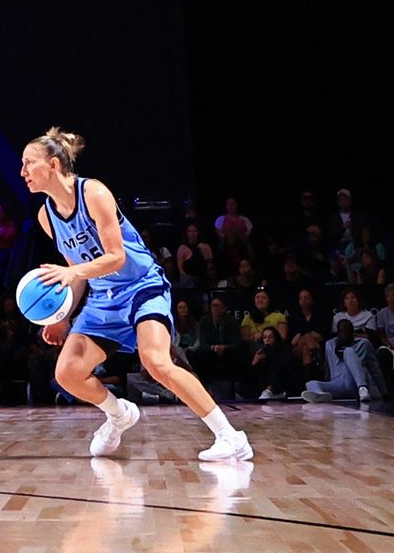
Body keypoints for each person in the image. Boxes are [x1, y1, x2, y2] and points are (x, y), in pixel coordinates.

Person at [21, 127, 252, 461]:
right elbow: (79, 271)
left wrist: (72, 272)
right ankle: (119, 415)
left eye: (29, 163)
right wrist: (62, 315)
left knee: (156, 361)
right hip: (103, 298)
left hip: (141, 285)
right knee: (66, 374)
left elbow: (116, 257)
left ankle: (230, 437)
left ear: (54, 164)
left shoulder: (94, 193)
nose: (22, 171)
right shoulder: (47, 215)